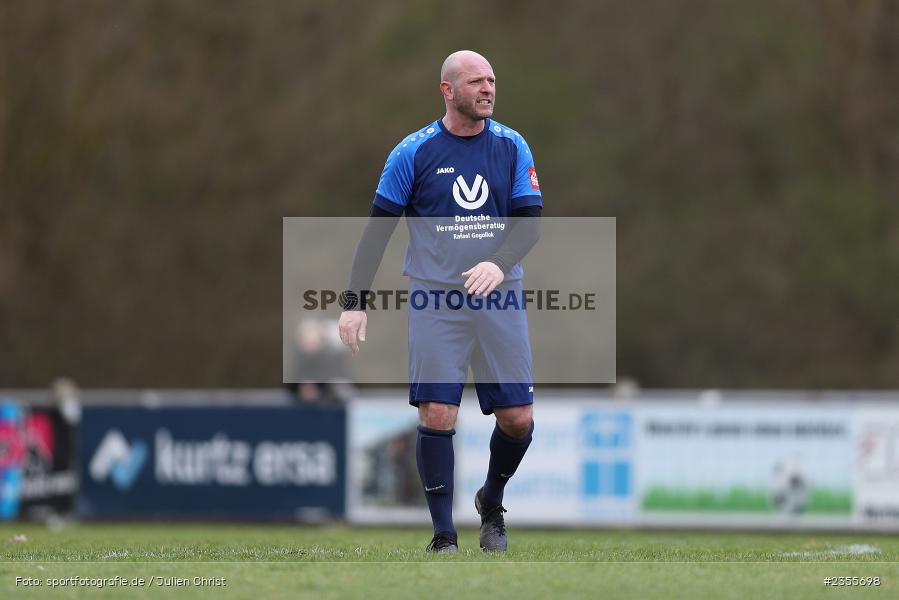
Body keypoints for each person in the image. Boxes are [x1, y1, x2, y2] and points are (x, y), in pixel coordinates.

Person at [338, 50, 542, 553]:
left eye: (492, 80)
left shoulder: (512, 146)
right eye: (476, 82)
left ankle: (490, 502)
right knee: (436, 413)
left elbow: (530, 222)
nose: (488, 88)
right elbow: (376, 232)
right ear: (448, 91)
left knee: (518, 419)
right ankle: (443, 536)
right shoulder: (412, 152)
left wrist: (497, 263)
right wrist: (353, 300)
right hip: (436, 300)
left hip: (499, 296)